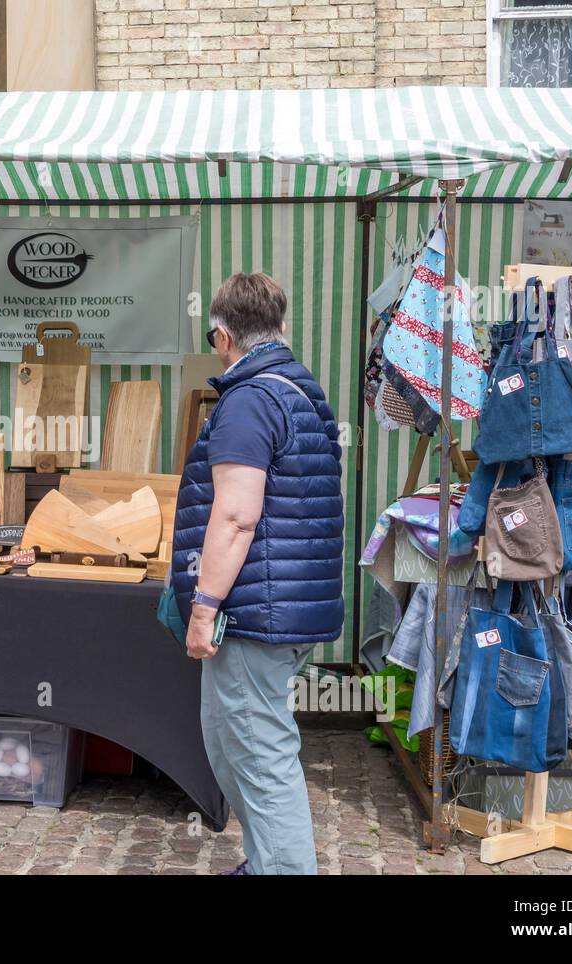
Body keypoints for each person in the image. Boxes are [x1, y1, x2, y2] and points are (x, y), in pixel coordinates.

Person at [170, 272, 344, 876]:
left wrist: (203, 606)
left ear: (221, 335)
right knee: (229, 744)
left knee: (261, 757)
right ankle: (267, 860)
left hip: (252, 611)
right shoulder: (301, 391)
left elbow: (238, 517)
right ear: (280, 326)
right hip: (282, 604)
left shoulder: (248, 401)